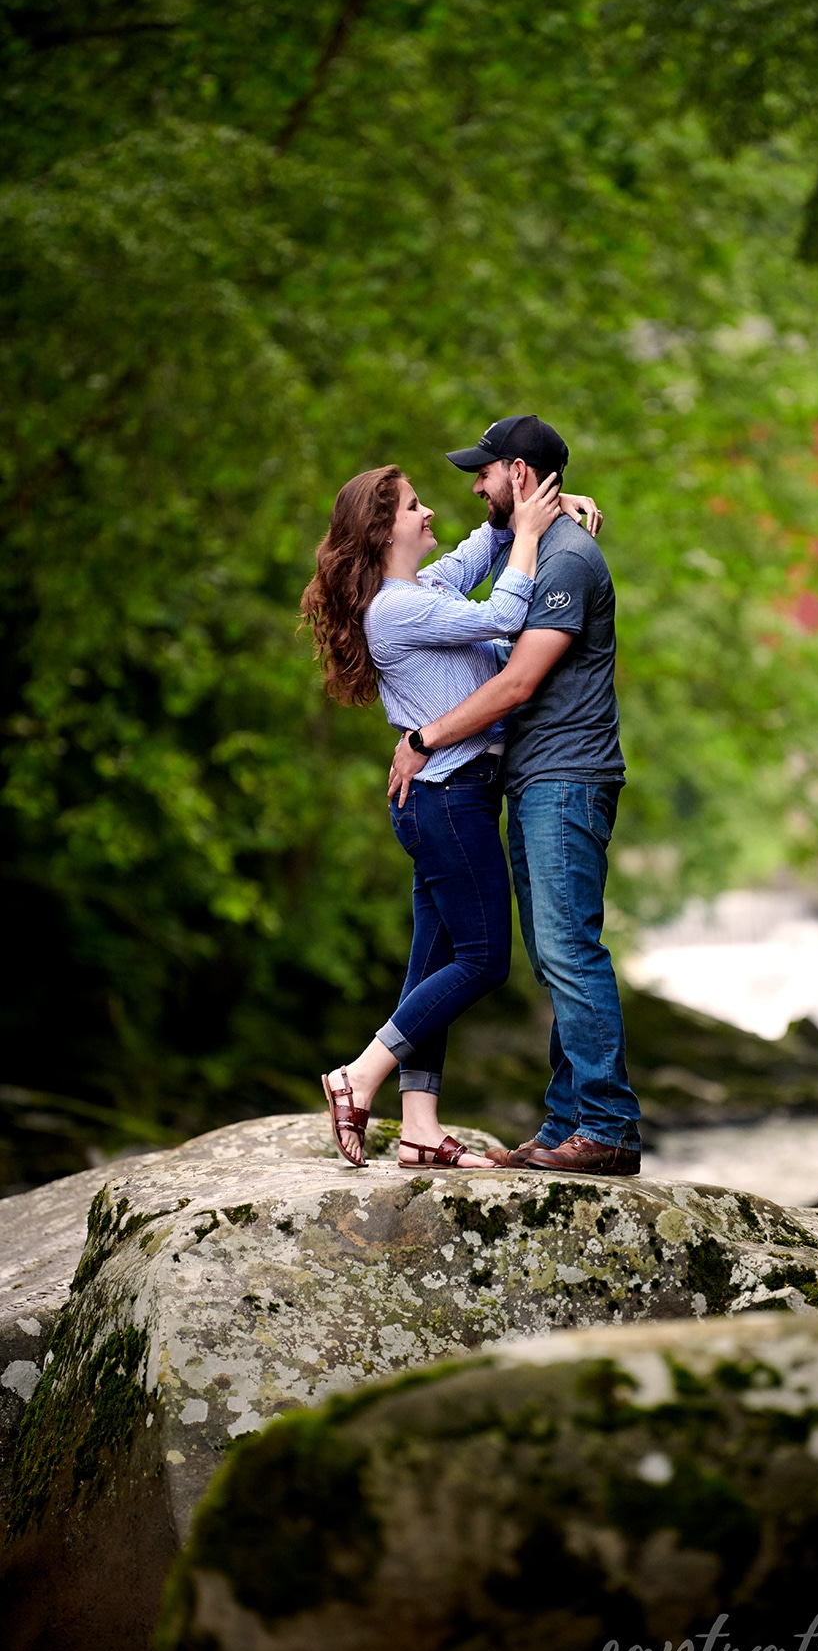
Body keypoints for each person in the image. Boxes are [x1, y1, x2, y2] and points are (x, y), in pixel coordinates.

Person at [300, 460, 599, 1169]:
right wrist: (531, 530)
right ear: (382, 532)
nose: (429, 512)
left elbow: (486, 545)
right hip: (449, 800)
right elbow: (505, 614)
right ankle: (359, 1075)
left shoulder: (424, 586)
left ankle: (419, 1128)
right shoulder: (396, 608)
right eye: (412, 507)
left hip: (445, 798)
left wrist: (538, 507)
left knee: (432, 961)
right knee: (485, 960)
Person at [389, 415, 642, 1175]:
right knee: (555, 954)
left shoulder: (566, 560)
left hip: (568, 776)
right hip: (539, 779)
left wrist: (423, 740)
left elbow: (519, 681)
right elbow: (490, 569)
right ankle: (569, 1121)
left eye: (485, 472)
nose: (474, 486)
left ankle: (607, 1128)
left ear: (520, 476)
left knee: (569, 951)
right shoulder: (539, 544)